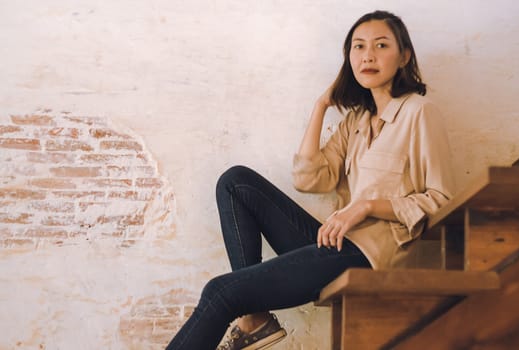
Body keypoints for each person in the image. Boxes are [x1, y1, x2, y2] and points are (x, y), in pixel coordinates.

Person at [166, 9, 455, 350]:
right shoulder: (356, 123)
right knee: (235, 183)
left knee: (221, 292)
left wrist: (365, 207)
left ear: (404, 55)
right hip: (336, 244)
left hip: (372, 255)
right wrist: (321, 105)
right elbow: (310, 179)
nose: (368, 55)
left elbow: (441, 201)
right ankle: (256, 318)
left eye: (381, 45)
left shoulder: (419, 112)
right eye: (358, 47)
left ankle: (250, 315)